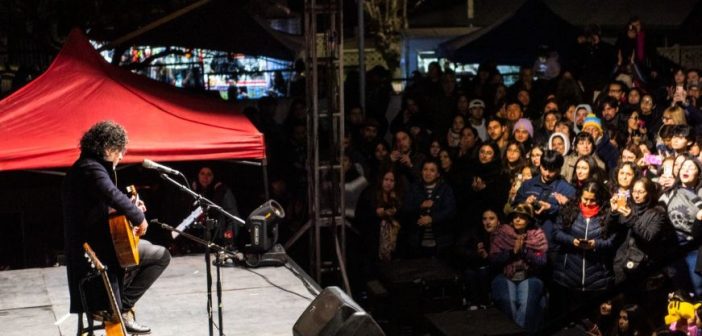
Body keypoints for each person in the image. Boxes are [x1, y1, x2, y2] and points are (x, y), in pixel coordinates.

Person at [63, 121, 171, 334]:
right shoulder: (90, 168)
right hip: (95, 253)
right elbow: (111, 195)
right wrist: (139, 217)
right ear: (109, 148)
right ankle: (121, 308)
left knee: (156, 254)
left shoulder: (88, 167)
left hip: (102, 244)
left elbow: (98, 206)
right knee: (160, 256)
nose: (121, 157)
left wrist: (129, 207)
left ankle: (123, 307)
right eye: (120, 151)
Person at [490, 203, 548, 333]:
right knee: (508, 301)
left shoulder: (537, 235)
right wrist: (512, 252)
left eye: (522, 217)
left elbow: (542, 261)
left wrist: (525, 251)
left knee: (527, 304)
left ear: (529, 220)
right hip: (506, 275)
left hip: (529, 276)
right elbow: (494, 259)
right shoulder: (502, 233)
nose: (517, 220)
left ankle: (520, 332)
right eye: (515, 216)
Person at [190, 166, 241, 248]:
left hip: (219, 242)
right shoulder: (194, 191)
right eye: (202, 173)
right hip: (197, 245)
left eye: (209, 174)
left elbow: (233, 219)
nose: (205, 177)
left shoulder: (222, 191)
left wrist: (228, 241)